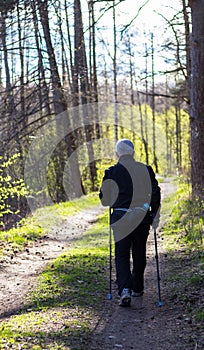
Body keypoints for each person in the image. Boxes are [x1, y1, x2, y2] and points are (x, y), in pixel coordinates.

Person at [99, 138, 161, 306]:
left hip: (120, 218)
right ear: (133, 152)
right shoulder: (145, 170)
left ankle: (124, 289)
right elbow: (155, 192)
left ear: (117, 154)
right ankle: (137, 287)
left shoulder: (111, 172)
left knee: (122, 254)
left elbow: (105, 201)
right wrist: (154, 214)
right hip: (141, 217)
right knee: (139, 251)